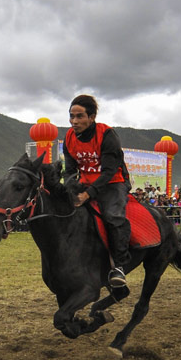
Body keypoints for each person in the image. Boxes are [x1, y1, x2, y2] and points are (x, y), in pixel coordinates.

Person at [63, 94, 132, 289]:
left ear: (92, 117)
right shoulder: (68, 137)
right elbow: (70, 170)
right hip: (84, 182)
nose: (74, 121)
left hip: (113, 182)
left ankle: (118, 266)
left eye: (80, 116)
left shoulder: (107, 135)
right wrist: (69, 188)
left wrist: (88, 194)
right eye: (71, 116)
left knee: (113, 216)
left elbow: (110, 171)